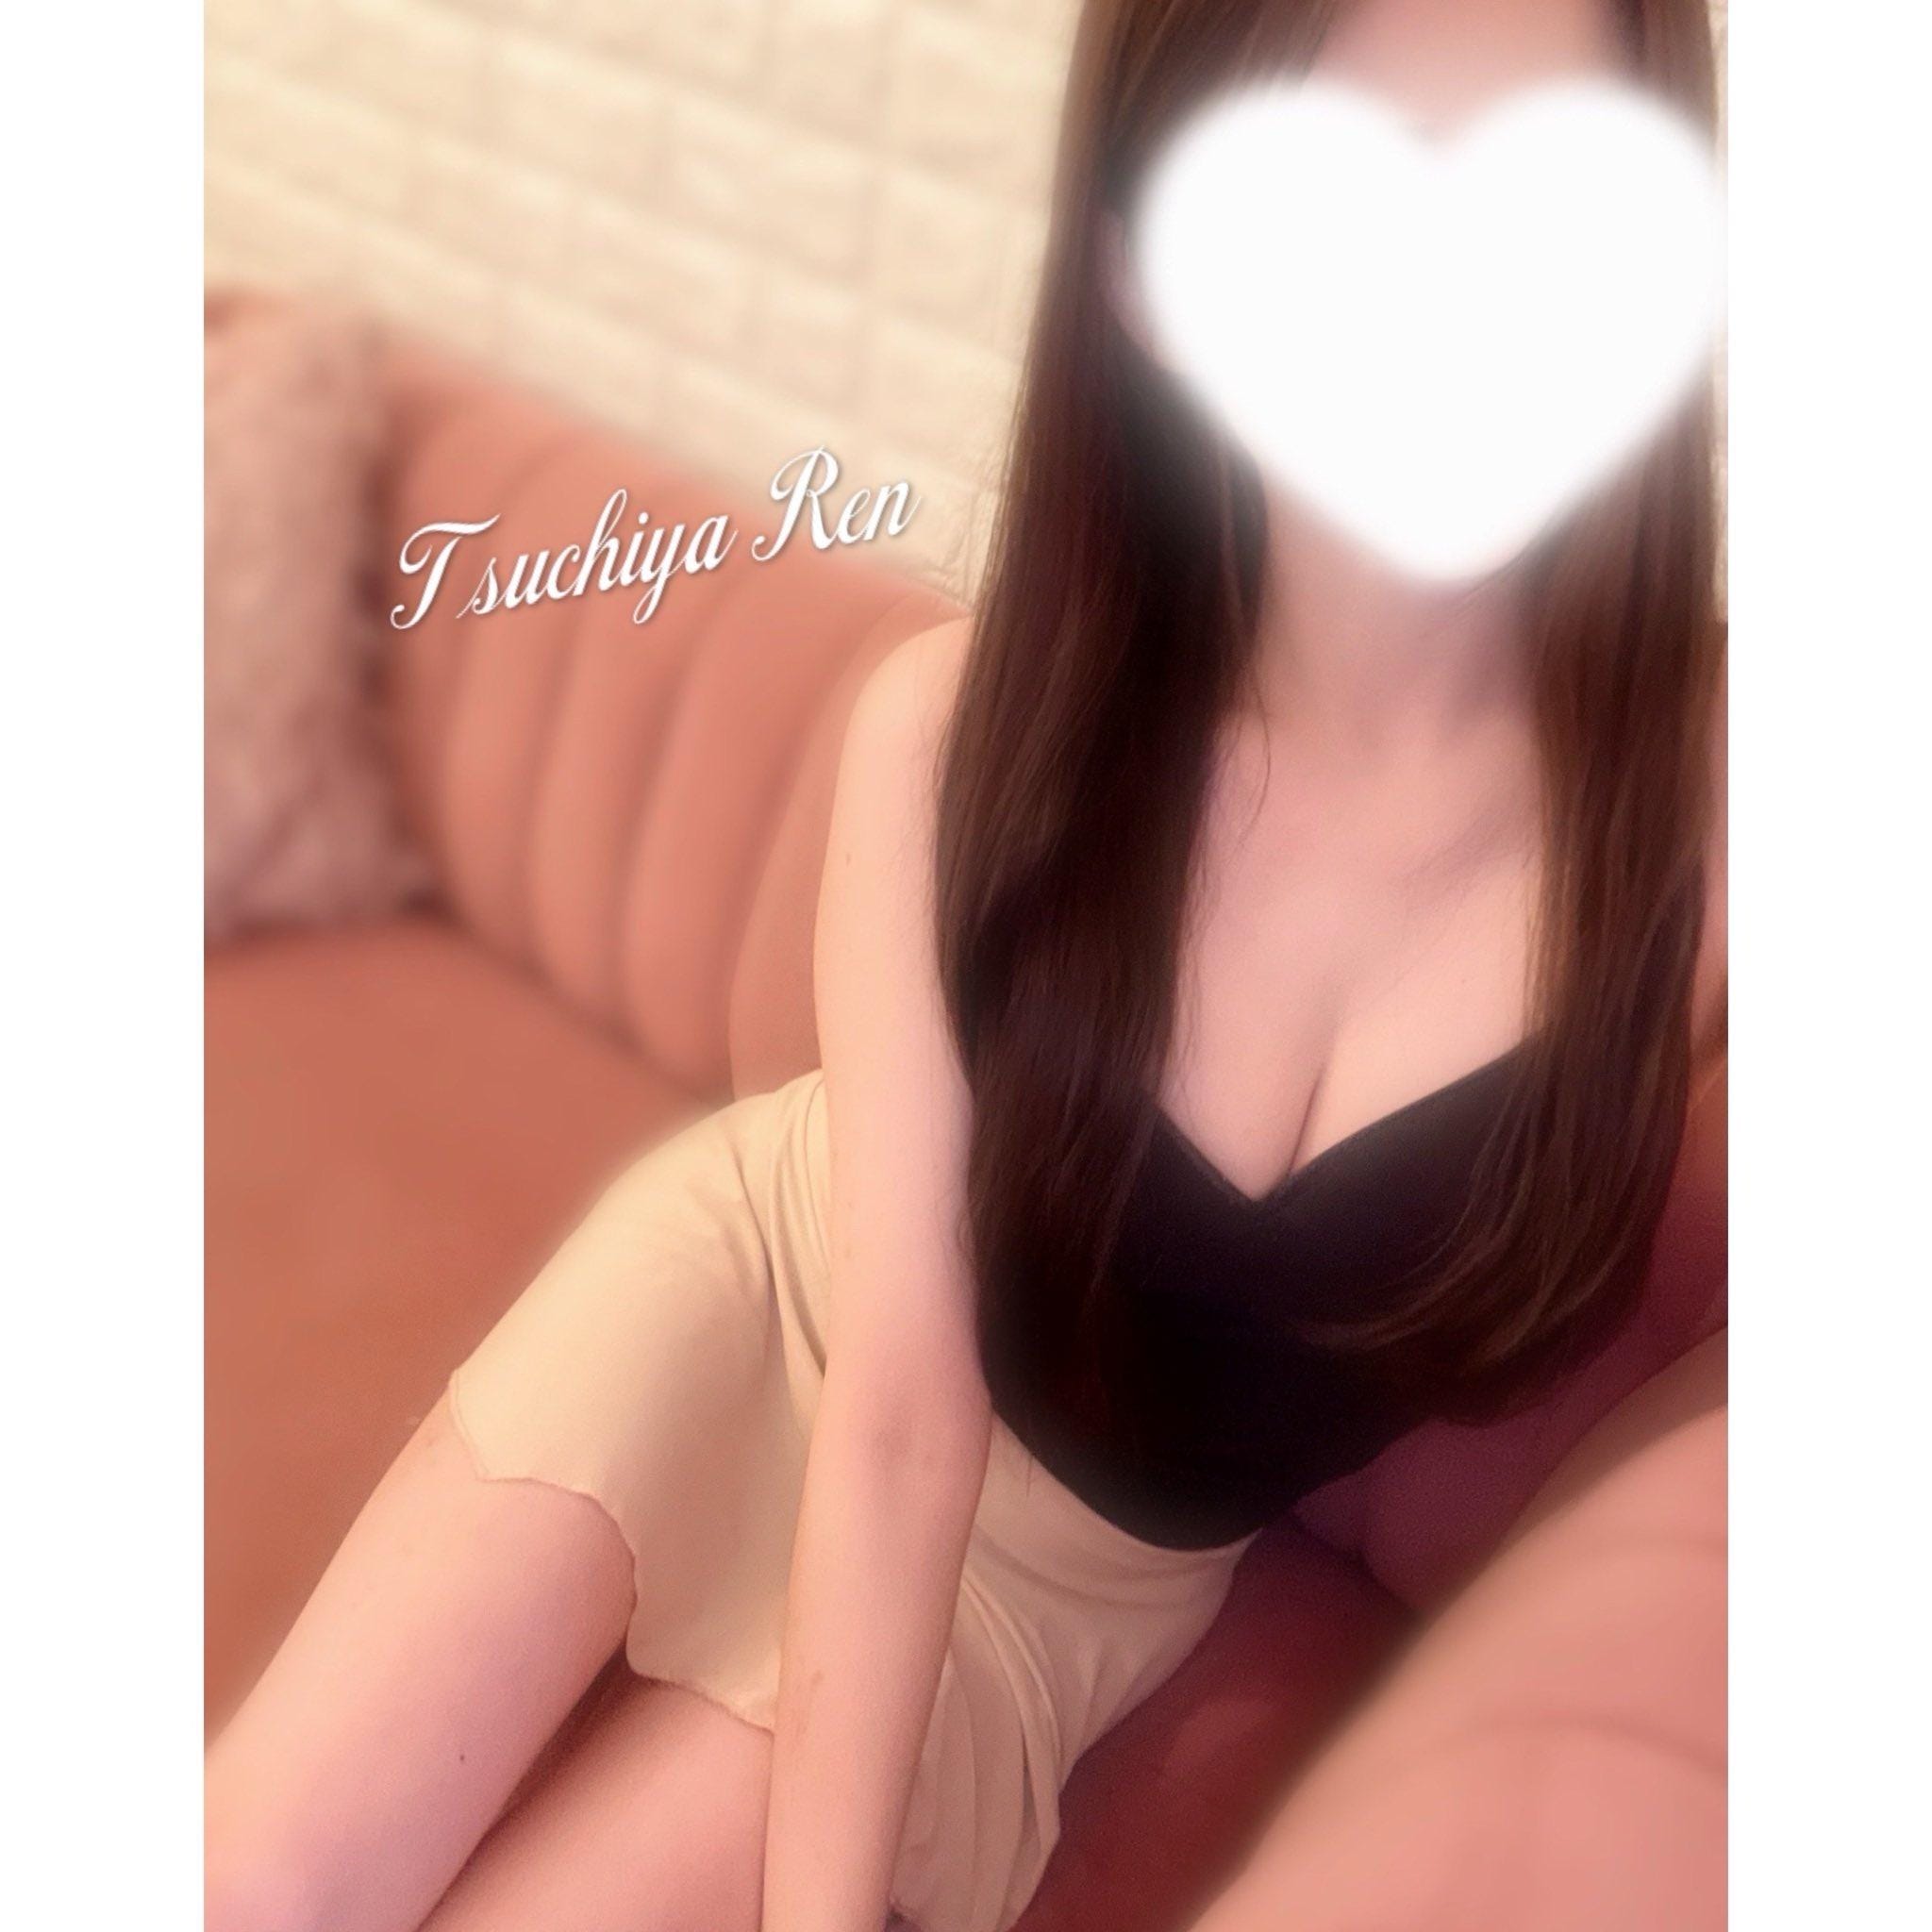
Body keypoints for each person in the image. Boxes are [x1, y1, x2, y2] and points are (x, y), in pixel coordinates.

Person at [204, 1, 1727, 1928]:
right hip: (773, 1289)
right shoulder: (957, 733)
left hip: (1061, 1584)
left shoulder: (1729, 823)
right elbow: (902, 1414)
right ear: (1146, 285)